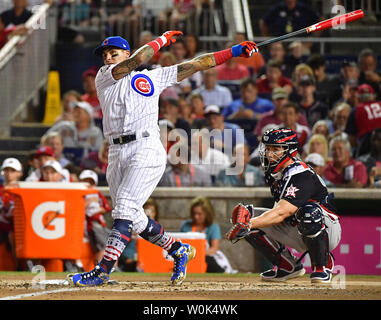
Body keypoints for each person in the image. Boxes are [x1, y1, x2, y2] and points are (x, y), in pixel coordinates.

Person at [70, 31, 259, 286]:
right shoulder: (106, 77)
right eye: (104, 55)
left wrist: (234, 52)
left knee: (125, 209)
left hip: (146, 147)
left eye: (113, 53)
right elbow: (135, 61)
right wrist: (161, 40)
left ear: (126, 52)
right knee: (131, 216)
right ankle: (177, 249)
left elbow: (198, 63)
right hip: (116, 151)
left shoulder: (153, 77)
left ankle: (103, 271)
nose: (108, 58)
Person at [225, 127, 341, 283]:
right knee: (245, 214)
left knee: (308, 213)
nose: (269, 153)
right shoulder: (277, 173)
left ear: (290, 151)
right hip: (298, 226)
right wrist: (248, 221)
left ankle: (322, 264)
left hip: (327, 228)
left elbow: (283, 212)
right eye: (268, 148)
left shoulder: (301, 174)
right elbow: (278, 211)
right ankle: (287, 266)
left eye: (276, 149)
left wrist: (248, 225)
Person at [180, 196, 235, 273]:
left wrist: (197, 254)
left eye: (199, 214)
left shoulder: (213, 227)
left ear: (207, 214)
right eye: (194, 213)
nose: (196, 217)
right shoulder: (185, 225)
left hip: (205, 257)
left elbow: (214, 249)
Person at [79, 169, 112, 266]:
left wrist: (98, 209)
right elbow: (77, 210)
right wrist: (88, 202)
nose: (88, 184)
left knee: (106, 246)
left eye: (91, 182)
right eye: (85, 181)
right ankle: (100, 267)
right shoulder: (80, 194)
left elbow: (107, 207)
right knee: (103, 247)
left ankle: (105, 267)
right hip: (89, 224)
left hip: (98, 222)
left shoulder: (97, 193)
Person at [345, 84, 381, 157]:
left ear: (358, 98)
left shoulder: (356, 110)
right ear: (373, 96)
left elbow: (352, 140)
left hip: (367, 146)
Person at [0, 158, 22, 270]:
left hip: (17, 224)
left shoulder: (22, 189)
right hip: (3, 223)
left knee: (12, 236)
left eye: (12, 170)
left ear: (19, 173)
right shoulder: (0, 189)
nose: (9, 173)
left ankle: (19, 266)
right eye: (6, 170)